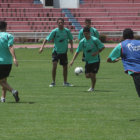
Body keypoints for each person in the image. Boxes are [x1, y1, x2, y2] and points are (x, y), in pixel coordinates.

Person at [39, 18, 74, 87]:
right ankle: (53, 82)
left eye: (61, 22)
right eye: (59, 23)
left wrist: (71, 47)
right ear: (57, 23)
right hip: (56, 52)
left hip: (64, 52)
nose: (60, 24)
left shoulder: (67, 31)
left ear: (63, 23)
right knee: (54, 65)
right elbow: (46, 39)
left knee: (65, 67)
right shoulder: (54, 31)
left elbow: (71, 39)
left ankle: (65, 82)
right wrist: (42, 47)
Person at [107, 28, 140, 97]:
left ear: (123, 36)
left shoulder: (122, 45)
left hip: (136, 72)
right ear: (133, 36)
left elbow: (109, 59)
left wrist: (114, 61)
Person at [70, 27, 105, 92]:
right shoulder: (82, 41)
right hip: (88, 61)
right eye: (84, 34)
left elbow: (102, 47)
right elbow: (77, 51)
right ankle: (94, 78)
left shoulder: (95, 40)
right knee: (87, 76)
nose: (85, 35)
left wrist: (96, 53)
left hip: (95, 60)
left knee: (92, 74)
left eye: (87, 33)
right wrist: (72, 60)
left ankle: (92, 88)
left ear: (89, 33)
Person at [0, 21, 19, 103]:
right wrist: (14, 58)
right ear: (6, 27)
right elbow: (10, 46)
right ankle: (3, 98)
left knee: (1, 81)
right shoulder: (9, 36)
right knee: (4, 80)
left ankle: (13, 91)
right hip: (8, 62)